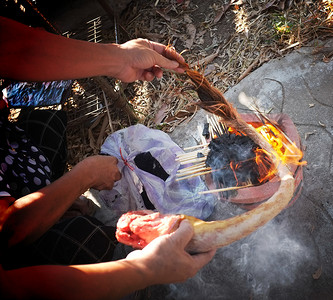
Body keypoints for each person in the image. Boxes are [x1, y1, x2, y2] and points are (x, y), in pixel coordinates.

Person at [0, 16, 216, 300]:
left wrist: (121, 58)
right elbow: (8, 233)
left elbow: (15, 47)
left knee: (48, 125)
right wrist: (143, 269)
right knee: (85, 240)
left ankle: (50, 206)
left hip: (9, 157)